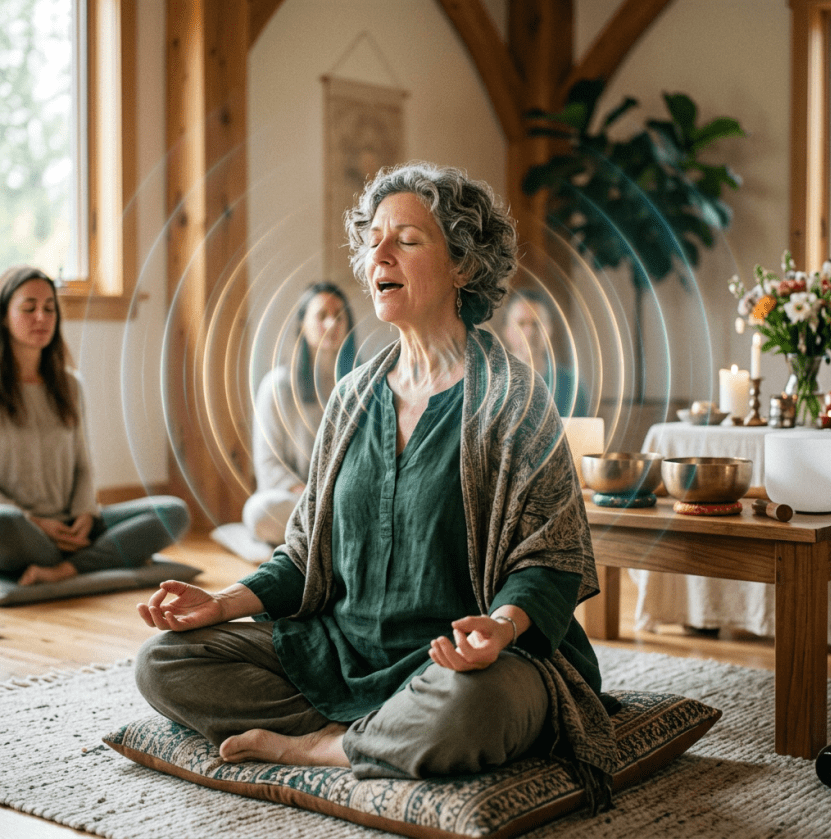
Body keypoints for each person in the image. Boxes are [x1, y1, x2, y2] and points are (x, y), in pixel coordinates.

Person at [135, 162, 618, 808]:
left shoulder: (515, 397)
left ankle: (321, 746)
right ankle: (379, 734)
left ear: (463, 266)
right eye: (373, 240)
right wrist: (219, 604)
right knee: (163, 661)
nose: (377, 254)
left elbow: (551, 562)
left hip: (461, 665)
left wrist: (499, 630)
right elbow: (304, 555)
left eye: (406, 239)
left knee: (480, 704)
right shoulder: (352, 397)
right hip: (343, 649)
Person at [0, 266, 191, 586]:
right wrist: (37, 522)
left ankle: (63, 569)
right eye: (28, 308)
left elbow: (83, 465)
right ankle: (93, 557)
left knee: (174, 512)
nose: (41, 318)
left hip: (73, 524)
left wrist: (86, 515)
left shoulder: (70, 386)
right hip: (23, 528)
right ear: (4, 316)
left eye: (50, 308)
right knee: (4, 522)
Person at [242, 282, 355, 546]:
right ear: (303, 323)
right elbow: (269, 465)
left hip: (350, 498)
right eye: (322, 315)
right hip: (301, 500)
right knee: (259, 511)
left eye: (339, 315)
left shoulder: (364, 383)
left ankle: (326, 536)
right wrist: (315, 497)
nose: (331, 323)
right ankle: (339, 536)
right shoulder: (277, 386)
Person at [500, 287, 590, 417]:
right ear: (506, 331)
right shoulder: (487, 384)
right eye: (521, 323)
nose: (529, 332)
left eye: (536, 323)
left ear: (549, 329)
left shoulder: (572, 388)